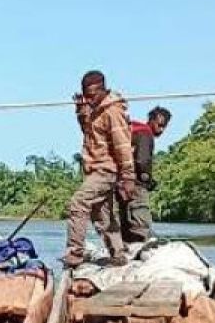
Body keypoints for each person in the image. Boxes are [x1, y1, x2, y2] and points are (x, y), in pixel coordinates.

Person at [62, 70, 136, 268]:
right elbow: (90, 133)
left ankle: (74, 253)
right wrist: (82, 112)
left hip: (106, 170)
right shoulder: (95, 109)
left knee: (78, 203)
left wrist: (128, 176)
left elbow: (122, 145)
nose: (89, 98)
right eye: (86, 95)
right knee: (102, 216)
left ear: (103, 90)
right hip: (94, 169)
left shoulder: (112, 111)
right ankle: (118, 253)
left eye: (92, 95)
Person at [115, 106, 170, 243]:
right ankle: (142, 246)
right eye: (159, 125)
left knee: (126, 220)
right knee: (141, 219)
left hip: (120, 183)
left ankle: (125, 247)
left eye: (164, 127)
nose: (161, 130)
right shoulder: (145, 134)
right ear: (151, 120)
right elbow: (142, 160)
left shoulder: (133, 132)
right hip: (136, 184)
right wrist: (148, 179)